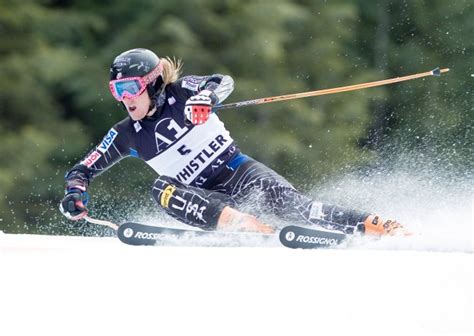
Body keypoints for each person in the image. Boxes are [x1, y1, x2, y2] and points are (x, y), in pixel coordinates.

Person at [59, 48, 405, 236]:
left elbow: (222, 81)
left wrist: (206, 98)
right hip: (204, 199)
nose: (124, 99)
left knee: (299, 207)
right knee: (161, 188)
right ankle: (239, 225)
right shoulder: (125, 135)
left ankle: (374, 225)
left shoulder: (182, 92)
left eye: (129, 88)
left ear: (150, 84)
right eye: (116, 91)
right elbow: (83, 169)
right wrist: (75, 193)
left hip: (240, 172)